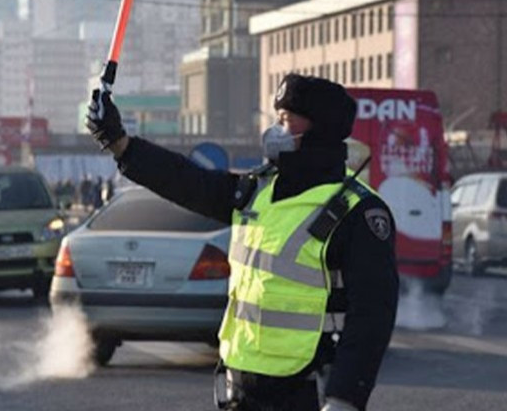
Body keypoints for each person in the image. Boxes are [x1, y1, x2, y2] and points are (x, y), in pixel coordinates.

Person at [86, 73, 399, 411]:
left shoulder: (357, 212)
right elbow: (186, 181)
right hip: (242, 388)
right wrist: (120, 143)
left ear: (317, 128)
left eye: (285, 119)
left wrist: (345, 399)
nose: (275, 129)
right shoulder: (257, 191)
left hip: (309, 392)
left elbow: (372, 316)